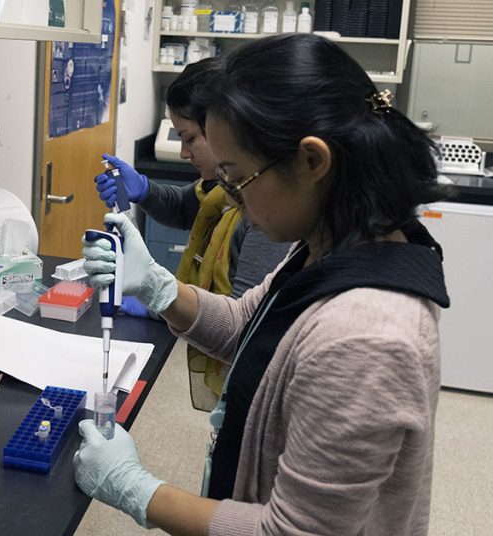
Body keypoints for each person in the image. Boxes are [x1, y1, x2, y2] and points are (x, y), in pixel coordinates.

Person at [76, 34, 449, 534]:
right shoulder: (329, 243)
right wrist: (157, 286)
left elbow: (292, 532)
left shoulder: (366, 337)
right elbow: (245, 327)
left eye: (236, 179)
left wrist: (137, 489)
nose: (230, 200)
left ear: (313, 160)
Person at [95, 57, 290, 411]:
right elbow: (190, 207)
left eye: (190, 138)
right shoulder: (221, 189)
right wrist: (143, 189)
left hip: (251, 377)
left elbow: (242, 325)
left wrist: (159, 295)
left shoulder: (265, 211)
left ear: (224, 130)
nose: (184, 153)